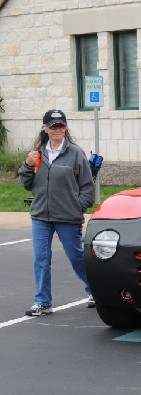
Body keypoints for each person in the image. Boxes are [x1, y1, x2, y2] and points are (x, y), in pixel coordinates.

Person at [18, 109, 96, 316]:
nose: (57, 130)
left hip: (67, 216)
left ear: (66, 128)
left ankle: (96, 290)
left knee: (76, 256)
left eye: (60, 125)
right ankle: (43, 302)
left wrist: (78, 206)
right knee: (40, 259)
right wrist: (27, 165)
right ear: (45, 129)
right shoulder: (37, 154)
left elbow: (88, 186)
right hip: (41, 215)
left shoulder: (76, 153)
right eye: (52, 126)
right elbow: (26, 183)